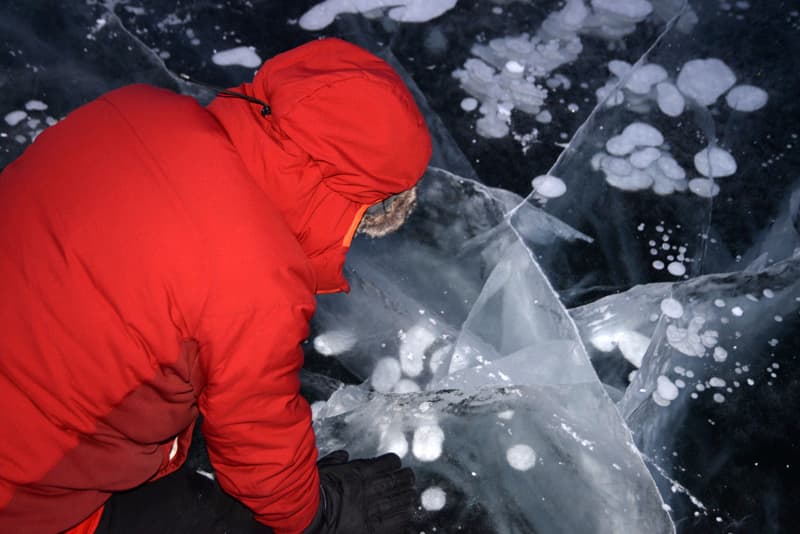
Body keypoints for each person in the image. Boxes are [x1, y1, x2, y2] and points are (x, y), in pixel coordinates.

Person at [0, 37, 432, 534]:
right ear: (349, 203)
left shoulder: (134, 107)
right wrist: (323, 514)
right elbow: (258, 449)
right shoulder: (258, 281)